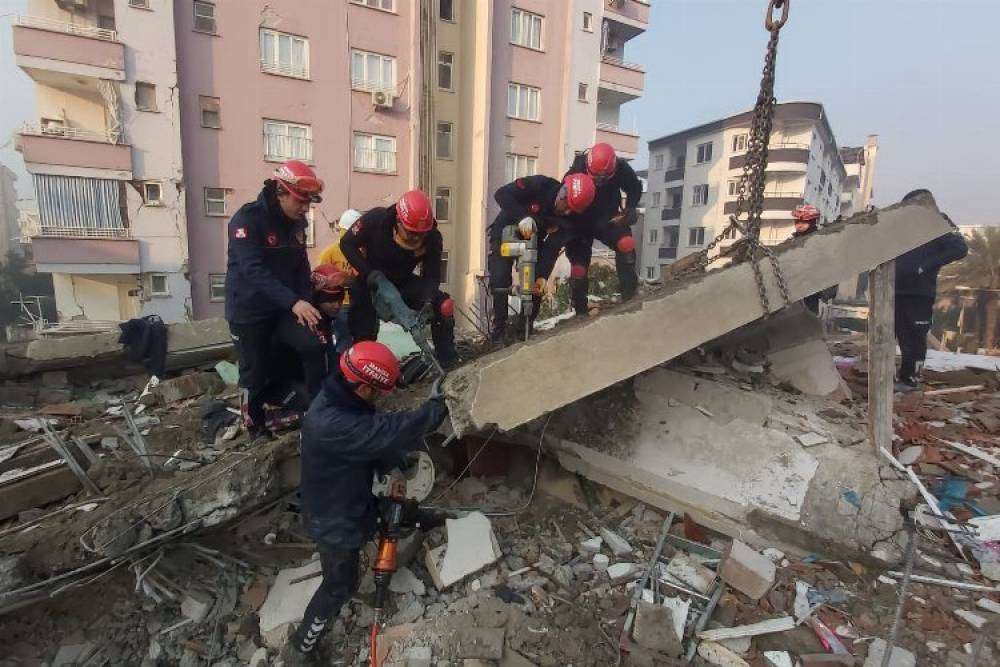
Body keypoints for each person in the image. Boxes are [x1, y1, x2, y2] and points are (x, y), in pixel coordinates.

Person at [282, 341, 448, 663]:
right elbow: (383, 431)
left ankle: (421, 522)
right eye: (377, 391)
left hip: (351, 497)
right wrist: (434, 410)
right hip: (333, 517)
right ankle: (301, 648)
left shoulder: (341, 399)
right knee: (340, 585)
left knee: (399, 511)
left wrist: (396, 463)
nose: (380, 397)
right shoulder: (332, 421)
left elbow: (370, 441)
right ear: (361, 385)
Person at [225, 160, 327, 442]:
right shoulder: (246, 221)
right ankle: (255, 426)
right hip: (249, 310)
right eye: (300, 200)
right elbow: (252, 271)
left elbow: (300, 267)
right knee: (253, 373)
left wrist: (303, 303)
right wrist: (294, 303)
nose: (305, 208)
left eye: (309, 202)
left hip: (283, 306)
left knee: (311, 345)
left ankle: (320, 410)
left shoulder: (296, 224)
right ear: (281, 191)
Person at [339, 190, 457, 367]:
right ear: (398, 221)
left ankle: (448, 362)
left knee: (443, 306)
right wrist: (370, 273)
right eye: (410, 233)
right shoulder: (375, 220)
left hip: (403, 281)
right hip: (369, 281)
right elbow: (347, 244)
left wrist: (427, 300)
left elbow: (432, 275)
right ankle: (363, 372)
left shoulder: (432, 238)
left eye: (421, 234)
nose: (416, 238)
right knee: (364, 331)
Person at [487, 173, 597, 341]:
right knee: (500, 279)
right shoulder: (539, 185)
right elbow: (501, 194)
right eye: (567, 205)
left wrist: (542, 277)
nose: (567, 211)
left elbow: (551, 249)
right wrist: (523, 216)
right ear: (562, 193)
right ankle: (499, 329)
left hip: (532, 242)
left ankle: (525, 326)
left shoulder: (567, 220)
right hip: (505, 233)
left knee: (536, 282)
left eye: (572, 210)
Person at [894, 189, 969, 392]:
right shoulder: (905, 227)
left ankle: (912, 379)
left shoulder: (938, 222)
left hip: (919, 292)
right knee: (901, 335)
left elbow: (960, 248)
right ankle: (902, 375)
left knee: (915, 336)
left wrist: (925, 266)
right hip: (897, 290)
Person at [563, 142, 643, 315]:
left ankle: (630, 295)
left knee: (626, 244)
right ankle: (580, 311)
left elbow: (635, 187)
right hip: (579, 222)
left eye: (605, 177)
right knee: (579, 268)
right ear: (588, 167)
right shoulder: (576, 171)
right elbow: (563, 197)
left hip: (607, 218)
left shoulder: (621, 167)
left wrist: (630, 208)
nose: (600, 180)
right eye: (595, 177)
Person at [317, 209, 363, 354]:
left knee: (360, 340)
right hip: (339, 305)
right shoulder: (330, 253)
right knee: (344, 339)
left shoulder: (362, 253)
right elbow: (321, 278)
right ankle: (340, 369)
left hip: (359, 302)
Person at [789, 204, 837, 314]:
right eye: (797, 222)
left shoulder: (818, 240)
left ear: (811, 223)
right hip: (795, 286)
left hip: (812, 287)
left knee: (808, 312)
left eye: (803, 222)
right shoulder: (793, 240)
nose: (799, 225)